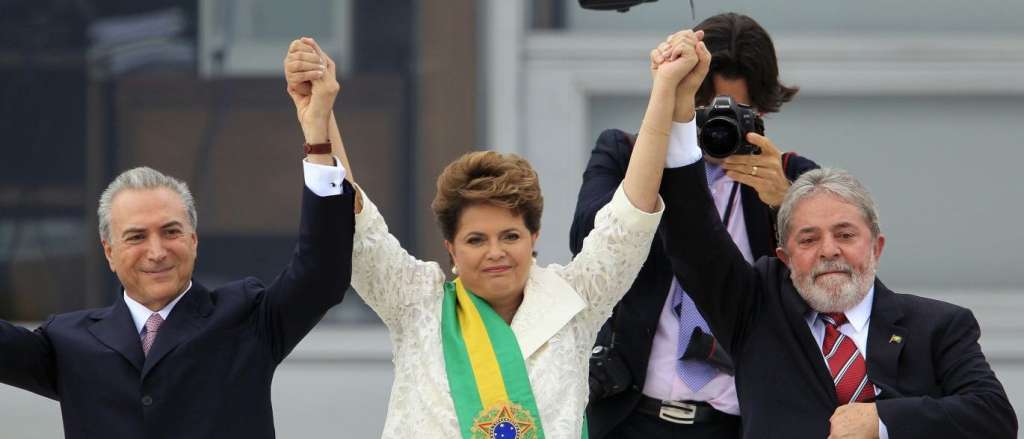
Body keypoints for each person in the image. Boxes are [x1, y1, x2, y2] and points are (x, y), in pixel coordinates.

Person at [281, 33, 709, 438]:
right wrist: (319, 123)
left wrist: (664, 91)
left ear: (534, 236)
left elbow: (629, 221)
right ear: (450, 246)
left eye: (509, 236)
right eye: (475, 240)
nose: (495, 253)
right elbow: (357, 230)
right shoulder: (416, 304)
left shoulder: (574, 302)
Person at [0, 41, 355, 438]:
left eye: (170, 232)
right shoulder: (69, 341)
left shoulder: (245, 318)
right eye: (136, 236)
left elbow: (322, 273)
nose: (157, 251)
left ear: (194, 239)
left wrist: (317, 134)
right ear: (109, 252)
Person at [571, 13, 816, 438]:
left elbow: (825, 292)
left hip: (735, 422)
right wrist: (661, 162)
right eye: (706, 113)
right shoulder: (626, 155)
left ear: (762, 110)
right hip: (629, 414)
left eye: (740, 112)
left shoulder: (792, 176)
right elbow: (585, 242)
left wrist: (785, 203)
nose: (719, 129)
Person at [657, 148, 1018, 436]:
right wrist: (676, 109)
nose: (829, 250)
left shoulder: (939, 326)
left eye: (845, 235)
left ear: (876, 247)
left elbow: (993, 416)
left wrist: (880, 421)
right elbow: (693, 236)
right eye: (809, 239)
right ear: (784, 257)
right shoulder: (755, 312)